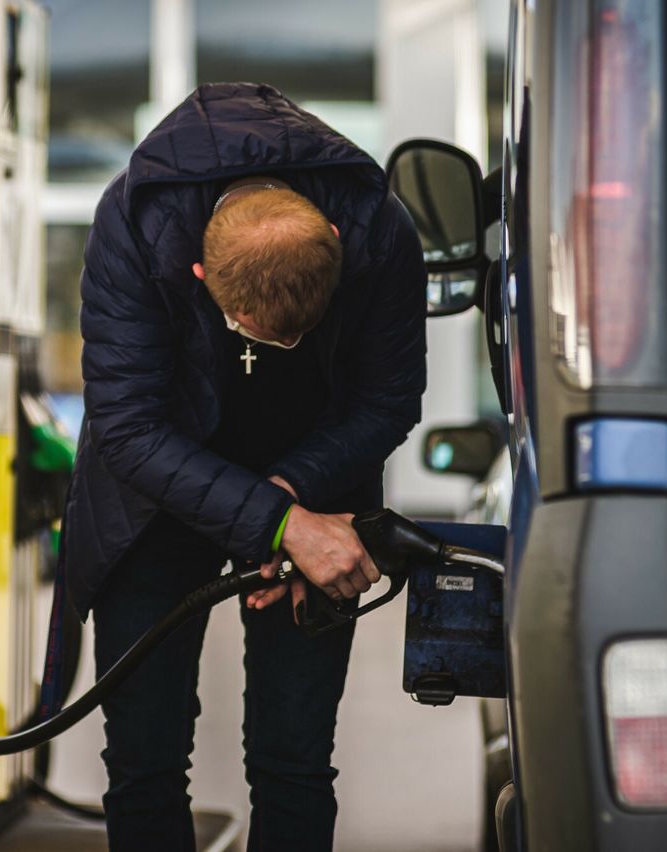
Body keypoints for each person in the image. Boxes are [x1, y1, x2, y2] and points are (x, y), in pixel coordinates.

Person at [60, 82, 428, 851]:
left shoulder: (381, 232)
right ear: (199, 277)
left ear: (335, 240)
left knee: (294, 759)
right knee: (144, 759)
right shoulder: (134, 225)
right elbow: (129, 430)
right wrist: (278, 524)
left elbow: (388, 399)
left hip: (321, 494)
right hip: (152, 499)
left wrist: (294, 509)